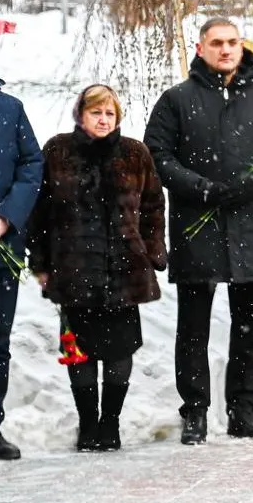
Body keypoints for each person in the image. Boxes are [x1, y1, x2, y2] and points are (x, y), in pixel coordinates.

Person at [145, 18, 253, 443]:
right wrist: (199, 187)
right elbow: (157, 154)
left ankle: (244, 409)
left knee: (251, 328)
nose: (226, 50)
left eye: (233, 42)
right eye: (217, 43)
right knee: (193, 327)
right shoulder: (177, 99)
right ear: (201, 48)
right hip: (200, 225)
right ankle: (195, 411)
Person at [27, 85, 158, 453]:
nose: (103, 120)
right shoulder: (57, 151)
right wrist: (40, 263)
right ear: (80, 115)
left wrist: (151, 253)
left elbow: (152, 206)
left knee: (119, 352)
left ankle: (110, 424)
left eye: (109, 114)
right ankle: (87, 425)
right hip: (73, 267)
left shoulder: (135, 153)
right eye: (95, 113)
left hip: (123, 268)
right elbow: (39, 211)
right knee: (79, 350)